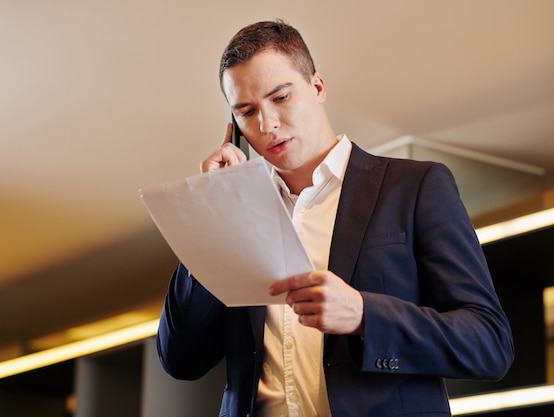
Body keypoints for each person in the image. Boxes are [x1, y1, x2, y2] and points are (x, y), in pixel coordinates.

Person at [156, 20, 514, 417]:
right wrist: (213, 215)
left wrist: (365, 314)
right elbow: (180, 359)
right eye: (247, 111)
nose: (267, 125)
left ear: (318, 87)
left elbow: (489, 344)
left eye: (281, 97)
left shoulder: (415, 187)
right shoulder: (235, 216)